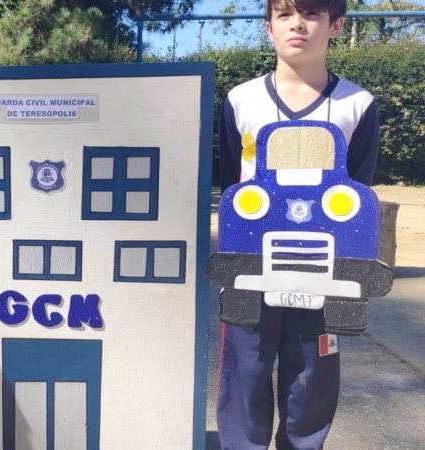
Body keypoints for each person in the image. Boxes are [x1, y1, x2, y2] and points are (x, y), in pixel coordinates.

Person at [217, 0, 379, 448]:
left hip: (324, 271)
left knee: (313, 373)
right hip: (252, 264)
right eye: (285, 14)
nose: (297, 25)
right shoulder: (240, 100)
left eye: (310, 14)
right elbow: (233, 186)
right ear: (268, 27)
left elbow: (357, 194)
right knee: (246, 370)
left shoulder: (357, 105)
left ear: (336, 25)